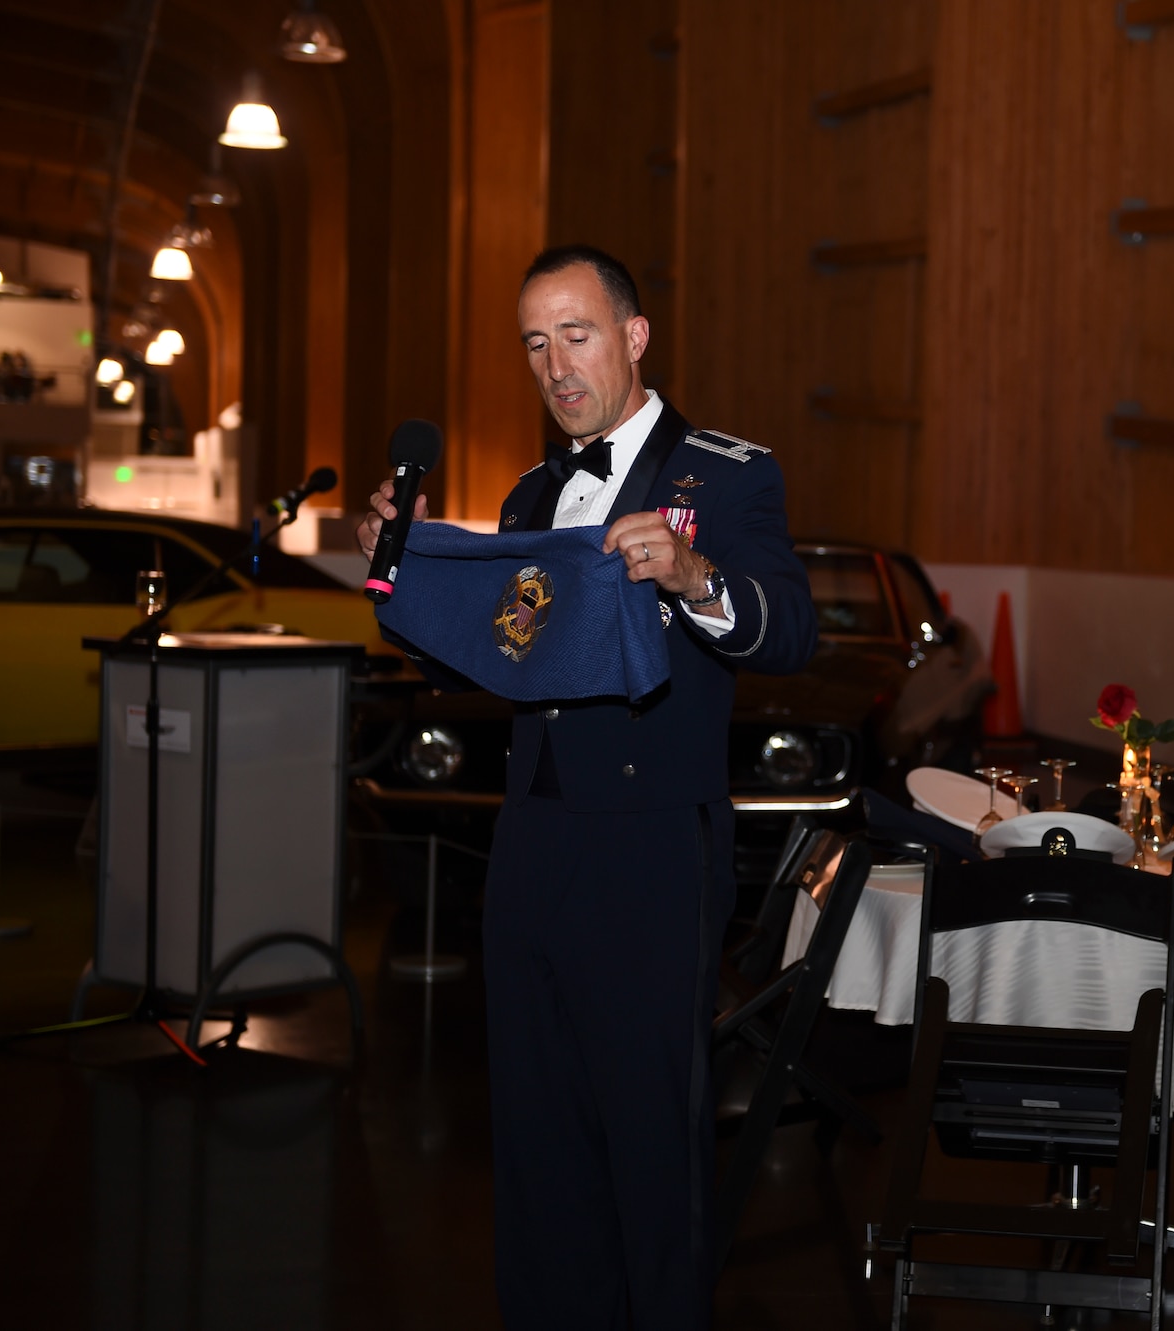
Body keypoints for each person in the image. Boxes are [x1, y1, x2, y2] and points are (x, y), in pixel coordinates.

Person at [358, 244, 816, 1328]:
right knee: (535, 1134)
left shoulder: (728, 472)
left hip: (650, 843)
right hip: (531, 844)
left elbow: (789, 631)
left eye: (577, 334)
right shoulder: (527, 494)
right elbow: (491, 658)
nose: (556, 365)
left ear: (633, 335)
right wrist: (405, 567)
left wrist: (697, 575)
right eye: (533, 343)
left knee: (650, 1138)